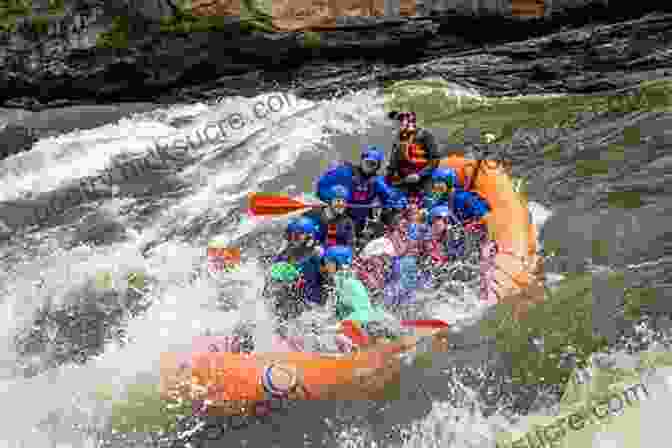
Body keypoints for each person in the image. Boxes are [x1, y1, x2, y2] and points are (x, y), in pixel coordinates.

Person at [315, 146, 407, 242]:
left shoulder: (376, 182)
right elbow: (321, 186)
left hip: (357, 223)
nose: (369, 165)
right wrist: (331, 198)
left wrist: (398, 201)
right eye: (367, 162)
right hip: (338, 215)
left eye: (373, 164)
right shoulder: (344, 172)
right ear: (362, 160)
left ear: (377, 167)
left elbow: (389, 196)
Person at [270, 216, 325, 312]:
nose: (294, 237)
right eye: (293, 234)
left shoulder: (316, 253)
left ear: (310, 236)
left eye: (299, 234)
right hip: (288, 299)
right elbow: (273, 275)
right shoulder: (285, 253)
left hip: (310, 303)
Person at [320, 245, 385, 325]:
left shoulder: (351, 284)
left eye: (328, 263)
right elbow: (339, 313)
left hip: (367, 329)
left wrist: (340, 326)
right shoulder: (339, 285)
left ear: (339, 263)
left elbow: (365, 313)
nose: (326, 267)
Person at [385, 111, 442, 200]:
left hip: (424, 180)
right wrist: (386, 181)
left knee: (428, 205)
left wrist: (419, 175)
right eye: (396, 120)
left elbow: (435, 159)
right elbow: (393, 164)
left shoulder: (425, 135)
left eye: (400, 120)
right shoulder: (398, 139)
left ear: (410, 120)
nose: (397, 123)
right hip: (404, 180)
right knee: (393, 203)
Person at [422, 167, 491, 225]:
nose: (436, 186)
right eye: (435, 182)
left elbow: (484, 215)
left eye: (440, 182)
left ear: (449, 183)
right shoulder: (440, 201)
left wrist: (467, 224)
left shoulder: (464, 197)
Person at [306, 184, 356, 250]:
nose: (341, 204)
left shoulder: (347, 222)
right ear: (329, 201)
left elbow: (351, 244)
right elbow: (308, 238)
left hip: (335, 257)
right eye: (338, 200)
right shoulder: (315, 215)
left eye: (344, 201)